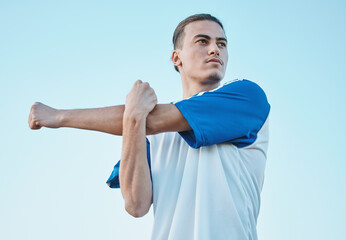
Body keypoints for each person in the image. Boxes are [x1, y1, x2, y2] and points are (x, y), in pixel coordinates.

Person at [28, 13, 270, 240]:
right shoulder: (146, 131)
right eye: (202, 41)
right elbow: (136, 204)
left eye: (222, 44)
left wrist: (58, 116)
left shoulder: (247, 96)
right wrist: (134, 119)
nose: (214, 49)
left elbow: (153, 120)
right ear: (177, 58)